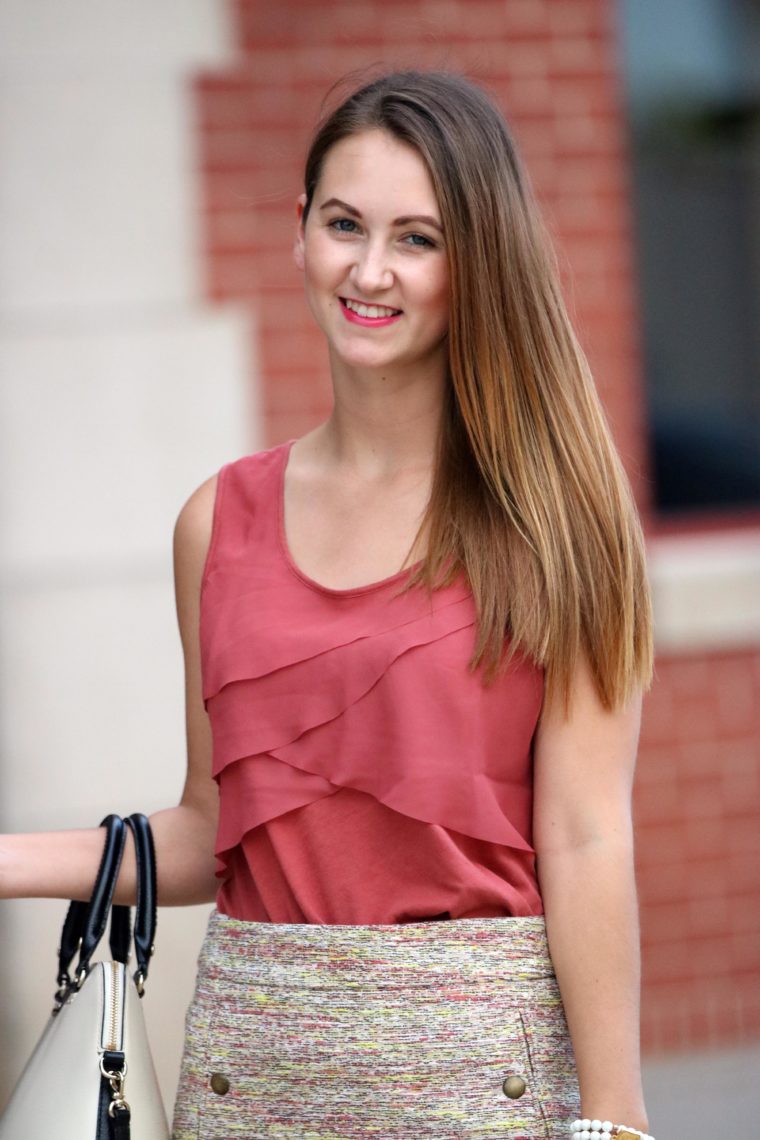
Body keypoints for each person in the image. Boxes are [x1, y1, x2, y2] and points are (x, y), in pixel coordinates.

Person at [0, 71, 655, 1139]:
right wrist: (10, 861)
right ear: (298, 231)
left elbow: (584, 836)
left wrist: (617, 1117)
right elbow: (221, 835)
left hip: (477, 1083)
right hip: (246, 1082)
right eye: (344, 224)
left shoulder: (554, 518)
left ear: (476, 261)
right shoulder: (218, 520)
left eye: (417, 239)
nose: (369, 270)